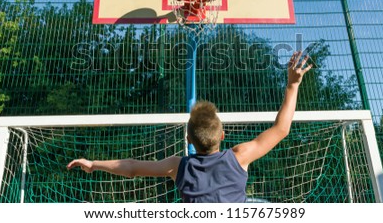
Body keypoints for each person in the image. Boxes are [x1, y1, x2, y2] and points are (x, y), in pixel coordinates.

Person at [67, 51, 312, 202]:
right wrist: (292, 85)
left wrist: (93, 164)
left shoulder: (178, 166)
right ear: (223, 135)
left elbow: (130, 167)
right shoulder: (239, 157)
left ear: (188, 139)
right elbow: (281, 129)